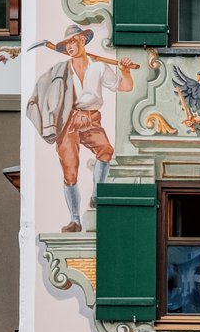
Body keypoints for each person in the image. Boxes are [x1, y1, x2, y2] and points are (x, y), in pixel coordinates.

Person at [26, 24, 134, 233]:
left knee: (106, 151)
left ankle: (96, 194)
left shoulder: (99, 66)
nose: (70, 47)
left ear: (82, 41)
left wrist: (126, 71)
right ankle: (74, 219)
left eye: (73, 42)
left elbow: (125, 87)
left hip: (91, 119)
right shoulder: (60, 71)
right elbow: (42, 91)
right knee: (70, 171)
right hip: (68, 122)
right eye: (67, 44)